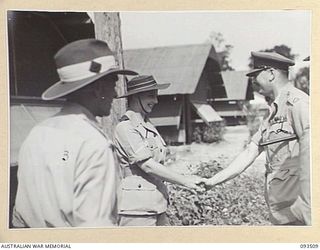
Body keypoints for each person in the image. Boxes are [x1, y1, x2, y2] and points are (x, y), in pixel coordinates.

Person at [12, 39, 138, 228]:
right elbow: (95, 229)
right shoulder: (94, 144)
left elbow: (19, 216)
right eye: (113, 84)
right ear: (98, 89)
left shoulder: (37, 134)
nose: (115, 94)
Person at [204, 52, 310, 225]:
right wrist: (213, 181)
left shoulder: (298, 104)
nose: (253, 81)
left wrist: (308, 208)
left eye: (256, 75)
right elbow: (250, 151)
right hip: (282, 212)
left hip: (300, 212)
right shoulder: (273, 111)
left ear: (271, 73)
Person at [114, 75, 204, 226]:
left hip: (156, 204)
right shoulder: (125, 128)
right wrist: (186, 181)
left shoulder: (147, 125)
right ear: (136, 97)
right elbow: (147, 165)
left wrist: (189, 177)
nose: (155, 101)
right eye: (151, 96)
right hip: (136, 210)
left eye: (156, 96)